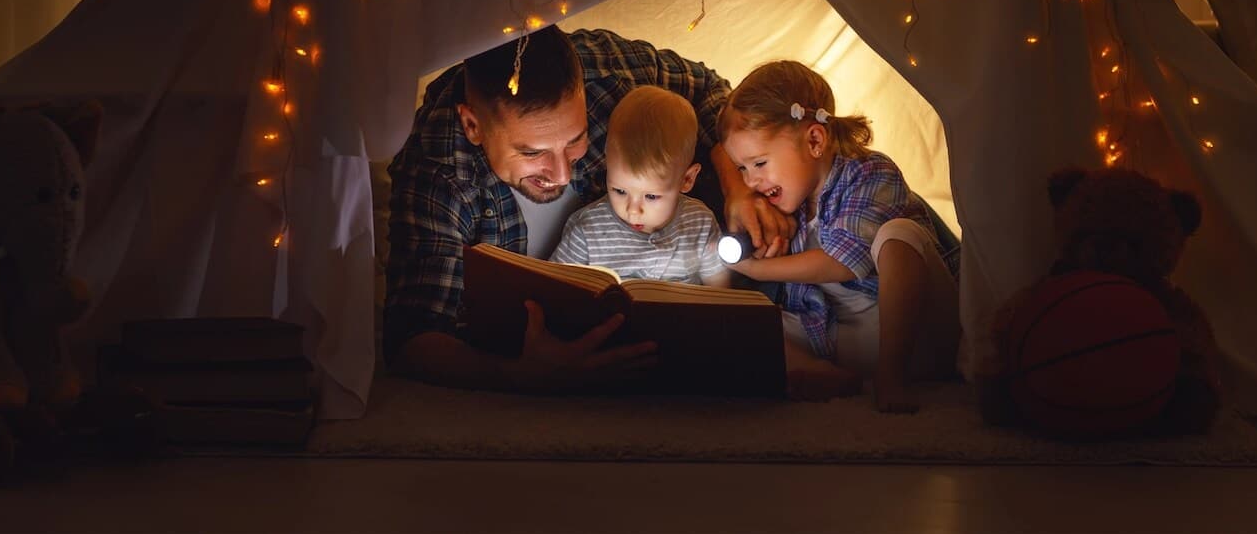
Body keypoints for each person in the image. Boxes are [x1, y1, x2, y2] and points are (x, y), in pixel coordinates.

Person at [385, 25, 790, 392]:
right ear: (474, 126)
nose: (560, 172)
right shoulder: (437, 165)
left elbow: (713, 93)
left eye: (576, 141)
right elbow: (412, 339)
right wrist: (518, 375)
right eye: (533, 152)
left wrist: (736, 184)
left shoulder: (611, 77)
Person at [717, 60, 960, 412]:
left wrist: (757, 269)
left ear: (814, 140)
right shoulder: (788, 202)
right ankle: (819, 373)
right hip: (837, 336)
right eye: (741, 168)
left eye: (759, 164)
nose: (751, 181)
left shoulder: (870, 172)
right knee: (744, 323)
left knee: (899, 235)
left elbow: (842, 262)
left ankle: (891, 376)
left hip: (917, 334)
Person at [550, 86, 731, 288]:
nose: (632, 210)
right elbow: (556, 287)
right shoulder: (587, 230)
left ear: (687, 179)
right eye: (620, 191)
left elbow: (718, 288)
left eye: (651, 196)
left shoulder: (700, 223)